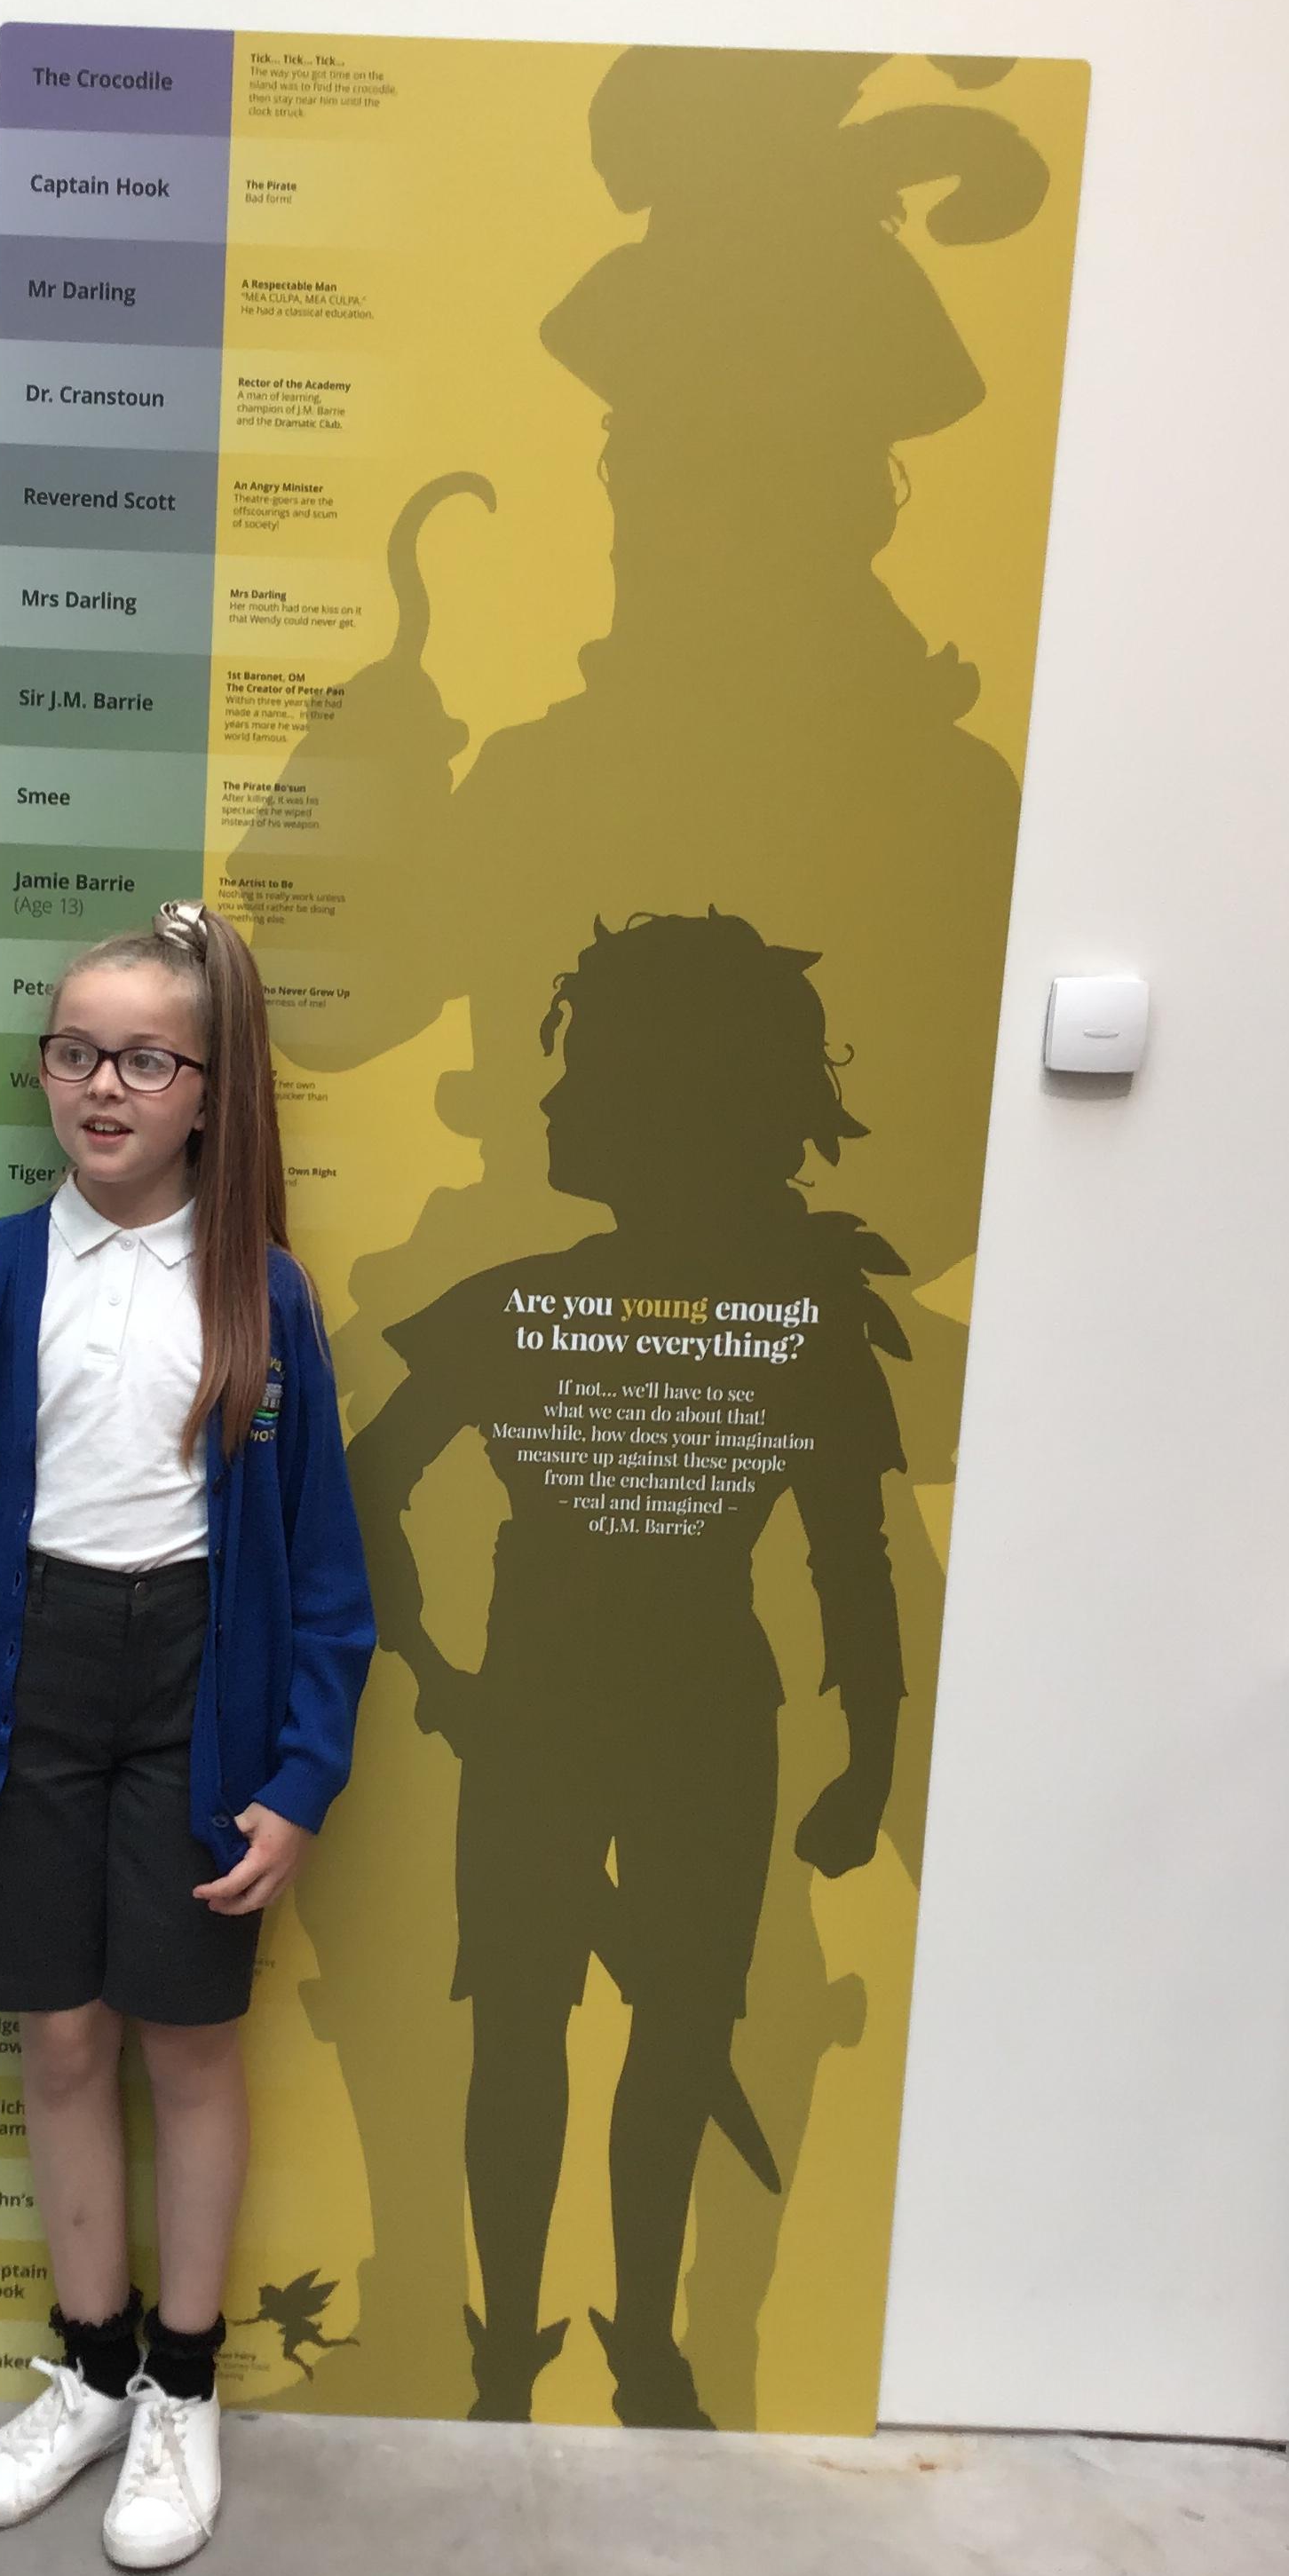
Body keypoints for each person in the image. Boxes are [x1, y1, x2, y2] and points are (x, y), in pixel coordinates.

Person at [0, 902, 374, 2569]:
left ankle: (182, 2392)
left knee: (186, 2045)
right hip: (26, 1684)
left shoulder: (263, 1295)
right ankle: (87, 2368)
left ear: (210, 1091)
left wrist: (301, 1774)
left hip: (198, 1695)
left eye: (146, 1060)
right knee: (61, 2039)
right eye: (75, 1052)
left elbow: (326, 1577)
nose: (102, 1086)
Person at [349, 912, 908, 2427]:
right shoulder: (556, 1308)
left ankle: (626, 2347)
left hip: (669, 1725)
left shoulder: (770, 1324)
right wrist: (441, 1672)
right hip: (596, 1719)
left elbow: (852, 1561)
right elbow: (368, 1487)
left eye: (585, 1068)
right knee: (541, 2032)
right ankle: (531, 2349)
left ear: (670, 1098)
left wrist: (869, 1761)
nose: (552, 1098)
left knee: (651, 2037)